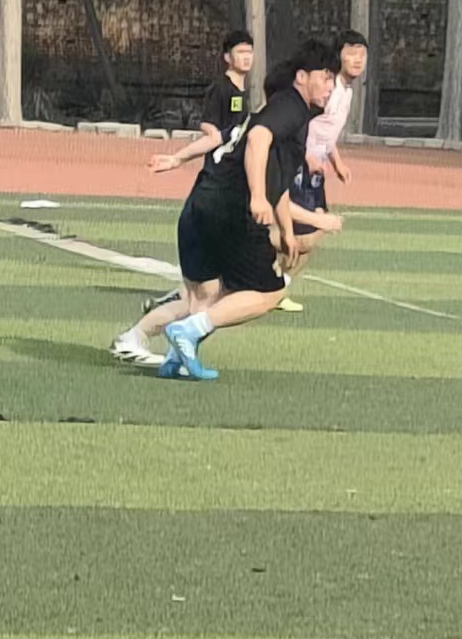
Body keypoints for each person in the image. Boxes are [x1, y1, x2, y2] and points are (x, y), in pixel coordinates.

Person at [116, 39, 340, 382]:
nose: (330, 86)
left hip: (201, 204)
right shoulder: (290, 107)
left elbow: (276, 185)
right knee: (270, 292)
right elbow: (258, 140)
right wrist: (259, 198)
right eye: (325, 77)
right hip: (230, 211)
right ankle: (187, 333)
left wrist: (287, 230)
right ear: (301, 77)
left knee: (206, 298)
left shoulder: (284, 119)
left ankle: (153, 346)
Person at [126, 30, 256, 334]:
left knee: (214, 280)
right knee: (213, 283)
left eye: (249, 52)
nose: (246, 57)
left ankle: (177, 302)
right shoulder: (220, 89)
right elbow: (211, 131)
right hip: (217, 183)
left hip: (230, 182)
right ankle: (159, 322)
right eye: (240, 52)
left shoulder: (242, 92)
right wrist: (179, 158)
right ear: (227, 57)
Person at [279, 30, 366, 312]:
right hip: (300, 165)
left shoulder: (347, 92)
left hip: (315, 169)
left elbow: (327, 133)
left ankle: (279, 286)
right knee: (303, 231)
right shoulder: (329, 89)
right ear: (338, 56)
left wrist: (336, 161)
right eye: (351, 53)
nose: (357, 60)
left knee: (313, 233)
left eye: (362, 55)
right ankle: (260, 274)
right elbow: (303, 123)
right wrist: (306, 156)